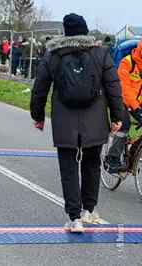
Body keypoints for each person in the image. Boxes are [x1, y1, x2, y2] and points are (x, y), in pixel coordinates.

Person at [30, 13, 124, 233]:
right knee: (92, 162)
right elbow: (113, 87)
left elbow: (40, 87)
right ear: (86, 31)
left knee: (68, 167)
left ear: (65, 32)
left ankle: (74, 218)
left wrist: (38, 116)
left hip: (64, 119)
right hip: (95, 117)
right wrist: (116, 117)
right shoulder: (100, 54)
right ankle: (89, 211)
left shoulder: (53, 54)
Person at [105, 40, 142, 172]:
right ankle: (112, 157)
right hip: (121, 99)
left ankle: (135, 154)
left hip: (138, 102)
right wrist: (136, 108)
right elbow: (124, 88)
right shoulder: (127, 62)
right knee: (124, 125)